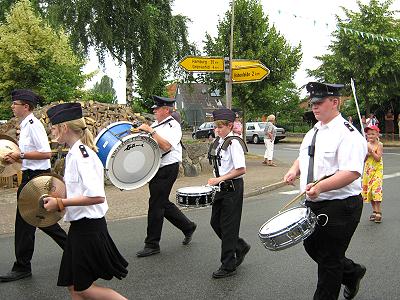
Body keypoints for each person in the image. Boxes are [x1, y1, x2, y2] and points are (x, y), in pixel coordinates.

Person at [283, 82, 367, 300]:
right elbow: (306, 156)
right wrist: (294, 170)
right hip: (314, 203)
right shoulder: (315, 130)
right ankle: (351, 273)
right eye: (312, 103)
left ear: (335, 102)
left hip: (340, 205)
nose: (314, 107)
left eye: (319, 103)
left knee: (329, 261)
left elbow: (352, 172)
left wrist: (320, 187)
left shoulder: (348, 134)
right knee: (311, 246)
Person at [43, 103, 128, 299]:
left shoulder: (83, 156)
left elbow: (96, 196)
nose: (51, 131)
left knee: (83, 288)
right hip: (80, 228)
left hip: (89, 229)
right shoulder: (74, 153)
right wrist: (60, 198)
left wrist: (61, 204)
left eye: (54, 127)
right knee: (73, 286)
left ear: (64, 128)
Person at [0, 89, 67, 283]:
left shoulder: (33, 125)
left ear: (26, 107)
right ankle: (74, 250)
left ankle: (23, 266)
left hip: (37, 178)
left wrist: (20, 155)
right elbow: (30, 156)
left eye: (15, 104)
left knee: (33, 220)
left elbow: (46, 154)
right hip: (30, 176)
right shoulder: (26, 125)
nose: (12, 106)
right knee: (34, 220)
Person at [136, 96, 197, 257]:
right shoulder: (157, 124)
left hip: (168, 168)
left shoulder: (173, 125)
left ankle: (152, 244)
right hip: (157, 167)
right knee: (161, 202)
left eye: (157, 108)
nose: (154, 111)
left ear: (166, 110)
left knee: (156, 204)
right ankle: (188, 226)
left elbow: (166, 146)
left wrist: (151, 131)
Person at [207, 108, 250, 279]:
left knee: (229, 227)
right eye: (215, 126)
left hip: (232, 188)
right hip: (221, 189)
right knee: (215, 223)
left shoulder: (234, 143)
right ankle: (240, 246)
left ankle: (228, 265)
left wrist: (220, 179)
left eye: (220, 127)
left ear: (230, 125)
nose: (217, 130)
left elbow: (241, 169)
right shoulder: (219, 140)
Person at [361, 125, 384, 223]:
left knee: (376, 190)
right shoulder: (365, 144)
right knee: (369, 190)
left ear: (377, 134)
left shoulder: (379, 144)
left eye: (373, 134)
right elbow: (363, 160)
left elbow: (378, 158)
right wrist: (366, 154)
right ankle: (374, 211)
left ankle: (379, 212)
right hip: (368, 170)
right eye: (369, 134)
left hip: (377, 170)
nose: (370, 136)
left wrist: (371, 152)